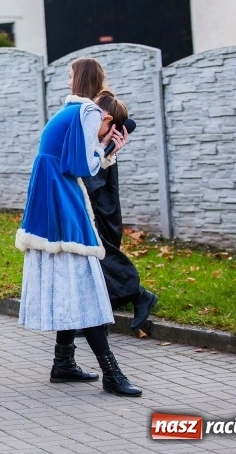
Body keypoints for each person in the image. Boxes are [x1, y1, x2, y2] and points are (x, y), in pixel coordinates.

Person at [16, 57, 142, 397]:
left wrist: (104, 148)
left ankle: (64, 362)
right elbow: (84, 165)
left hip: (49, 196)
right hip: (62, 198)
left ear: (79, 78)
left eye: (71, 74)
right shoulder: (88, 112)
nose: (68, 79)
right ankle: (111, 374)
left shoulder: (73, 111)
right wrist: (109, 148)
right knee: (84, 281)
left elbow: (72, 159)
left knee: (72, 277)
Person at [83, 93, 158, 332]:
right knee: (93, 255)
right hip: (91, 199)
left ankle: (138, 294)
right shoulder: (91, 125)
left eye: (71, 76)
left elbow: (93, 176)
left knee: (100, 251)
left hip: (98, 202)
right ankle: (103, 312)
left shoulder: (103, 133)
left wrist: (106, 150)